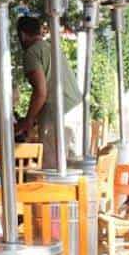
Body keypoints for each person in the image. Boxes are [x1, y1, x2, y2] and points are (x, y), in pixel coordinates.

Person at [15, 15, 81, 156]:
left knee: (53, 168)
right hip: (75, 109)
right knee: (72, 167)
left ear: (22, 35)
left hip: (57, 112)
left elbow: (41, 91)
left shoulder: (32, 52)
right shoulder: (51, 48)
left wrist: (29, 120)